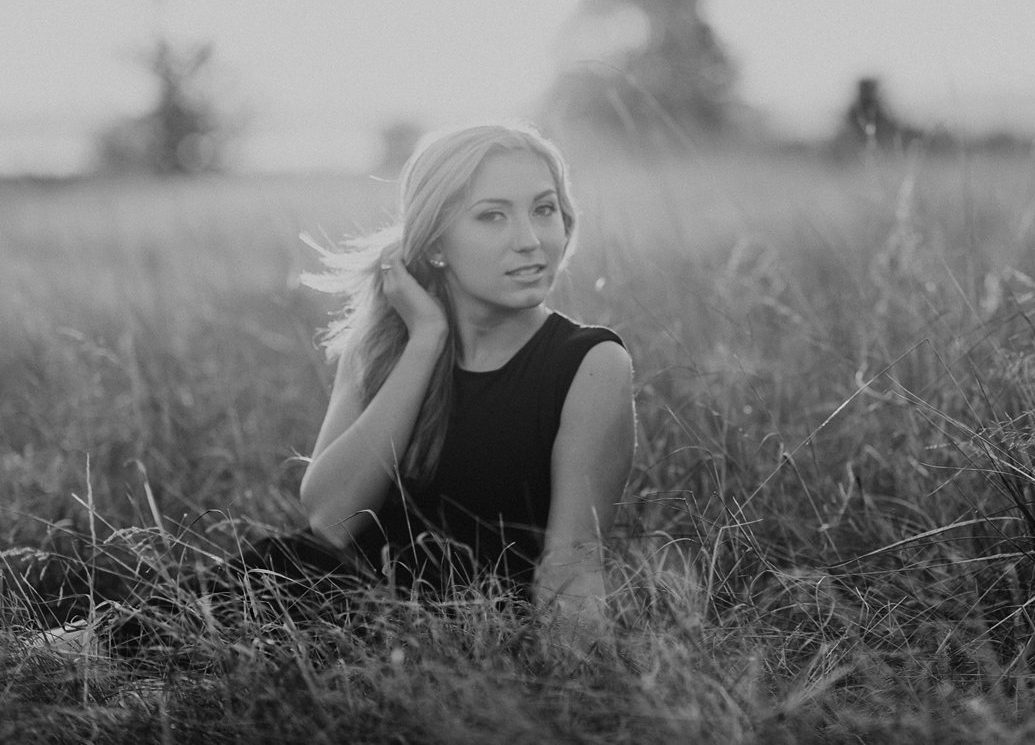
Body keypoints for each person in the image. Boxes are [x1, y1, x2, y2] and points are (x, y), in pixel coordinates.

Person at [29, 122, 635, 654]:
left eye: (545, 209)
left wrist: (576, 690)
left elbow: (574, 557)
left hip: (455, 639)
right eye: (493, 215)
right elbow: (332, 519)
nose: (530, 238)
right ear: (437, 243)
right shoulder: (385, 347)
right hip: (321, 604)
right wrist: (426, 340)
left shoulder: (590, 364)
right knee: (76, 661)